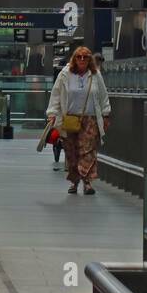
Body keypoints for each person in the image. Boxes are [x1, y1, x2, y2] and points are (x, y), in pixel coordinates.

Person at [46, 46, 110, 194]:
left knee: (87, 150)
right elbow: (56, 94)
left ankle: (87, 183)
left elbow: (103, 95)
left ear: (90, 60)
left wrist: (106, 114)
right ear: (74, 59)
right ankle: (74, 182)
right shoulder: (64, 74)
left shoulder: (95, 75)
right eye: (79, 57)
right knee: (72, 151)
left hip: (90, 119)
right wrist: (52, 113)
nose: (82, 60)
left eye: (85, 57)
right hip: (69, 118)